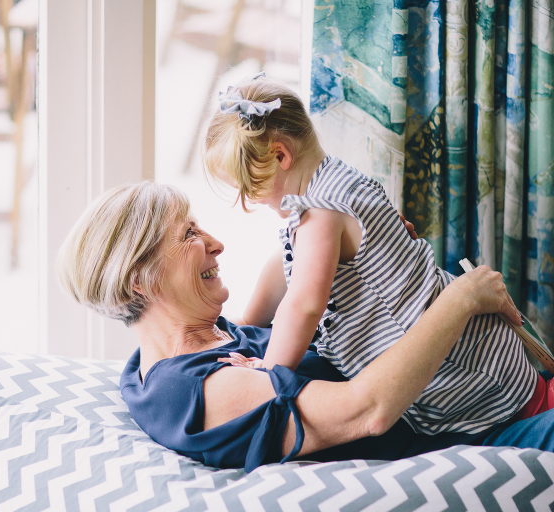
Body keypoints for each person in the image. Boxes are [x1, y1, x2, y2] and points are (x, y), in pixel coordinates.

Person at [56, 181, 554, 472]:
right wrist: (460, 301)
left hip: (484, 397)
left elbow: (275, 316)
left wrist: (347, 236)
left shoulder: (187, 345)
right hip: (480, 433)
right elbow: (369, 411)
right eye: (188, 234)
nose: (216, 243)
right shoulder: (190, 394)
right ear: (140, 281)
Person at [202, 74, 548, 436]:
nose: (249, 202)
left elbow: (303, 304)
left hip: (460, 365)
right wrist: (245, 324)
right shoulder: (335, 181)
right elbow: (287, 268)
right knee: (527, 398)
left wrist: (268, 375)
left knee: (519, 414)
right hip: (476, 345)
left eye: (249, 188)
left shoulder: (319, 212)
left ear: (280, 155)